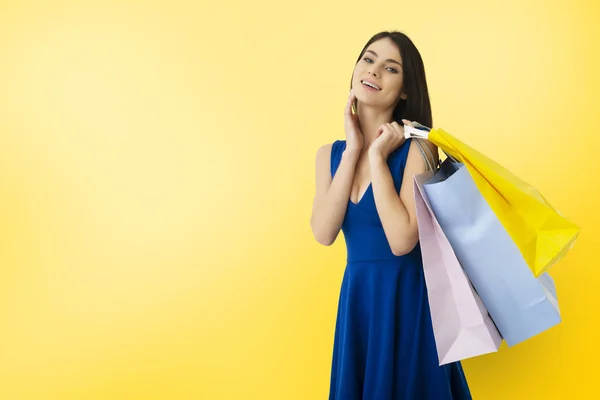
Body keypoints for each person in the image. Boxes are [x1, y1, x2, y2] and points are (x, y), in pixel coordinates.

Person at [310, 31, 472, 399]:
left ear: (404, 90)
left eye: (390, 68)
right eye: (368, 60)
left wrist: (377, 158)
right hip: (360, 301)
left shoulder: (421, 148)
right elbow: (323, 232)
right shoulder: (329, 155)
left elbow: (401, 241)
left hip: (408, 301)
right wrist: (353, 149)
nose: (374, 72)